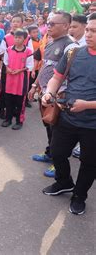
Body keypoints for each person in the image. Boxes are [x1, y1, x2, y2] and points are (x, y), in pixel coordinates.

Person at [41, 13, 96, 215]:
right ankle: (64, 182)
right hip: (67, 117)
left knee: (89, 164)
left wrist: (88, 105)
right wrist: (49, 92)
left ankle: (79, 196)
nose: (88, 34)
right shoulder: (74, 53)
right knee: (56, 152)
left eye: (94, 31)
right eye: (88, 29)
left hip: (92, 125)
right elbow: (57, 77)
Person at [29, 11, 75, 178]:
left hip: (59, 96)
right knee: (49, 126)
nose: (48, 26)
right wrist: (35, 86)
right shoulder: (49, 41)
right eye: (48, 23)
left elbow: (69, 74)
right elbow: (44, 66)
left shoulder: (70, 46)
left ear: (65, 26)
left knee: (58, 131)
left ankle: (58, 162)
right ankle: (50, 154)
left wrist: (60, 95)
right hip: (45, 93)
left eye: (53, 24)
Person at [1, 29, 34, 130]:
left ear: (24, 39)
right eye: (15, 37)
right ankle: (8, 119)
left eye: (19, 38)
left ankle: (19, 121)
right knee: (8, 100)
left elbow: (30, 66)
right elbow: (5, 61)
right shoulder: (9, 49)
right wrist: (8, 68)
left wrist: (19, 70)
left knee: (20, 102)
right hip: (9, 80)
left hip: (21, 81)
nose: (17, 39)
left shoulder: (28, 51)